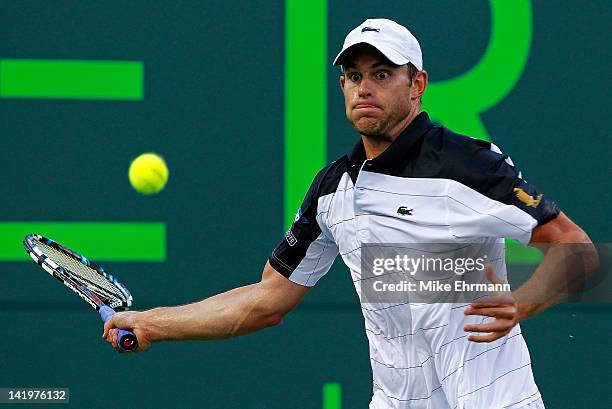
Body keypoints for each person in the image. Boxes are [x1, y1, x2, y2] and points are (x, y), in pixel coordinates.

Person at [104, 18, 596, 409]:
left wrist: (525, 302)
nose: (365, 88)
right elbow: (266, 301)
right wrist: (153, 323)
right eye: (354, 76)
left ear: (417, 84)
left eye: (382, 75)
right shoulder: (331, 191)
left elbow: (576, 248)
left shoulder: (466, 165)